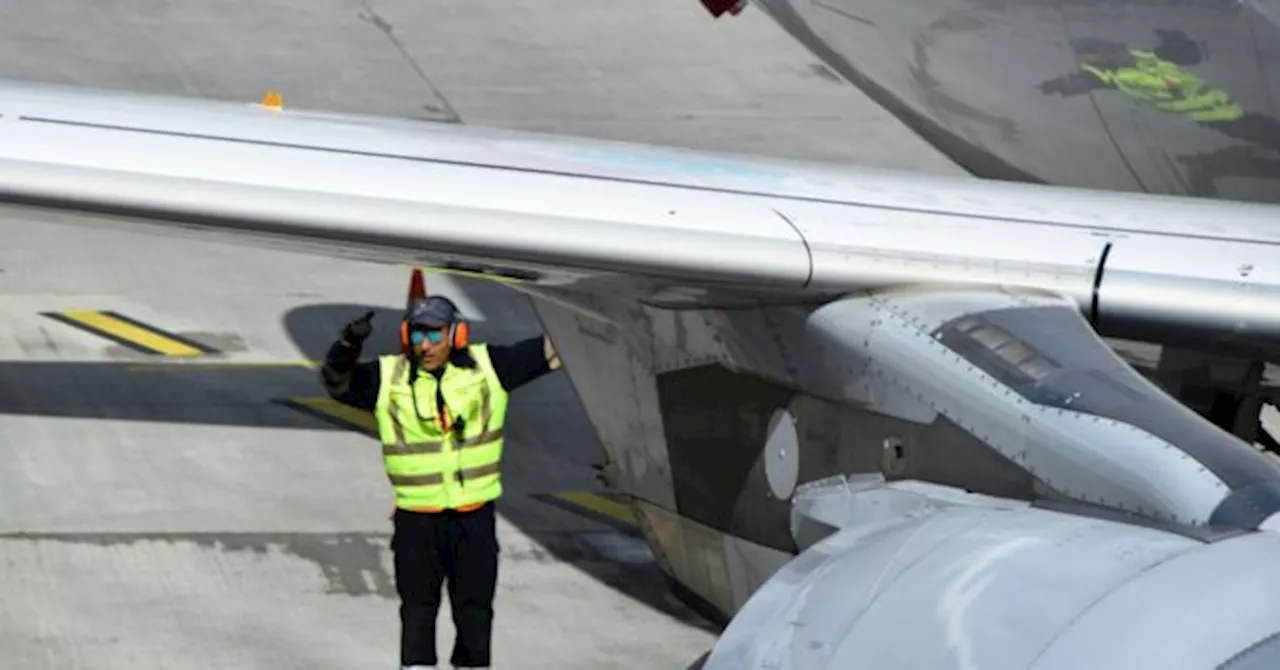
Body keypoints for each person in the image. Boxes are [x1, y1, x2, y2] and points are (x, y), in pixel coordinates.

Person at [321, 294, 562, 670]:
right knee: (418, 613)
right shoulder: (389, 377)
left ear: (456, 334)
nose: (426, 346)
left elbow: (556, 351)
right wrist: (348, 344)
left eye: (434, 336)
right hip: (418, 521)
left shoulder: (489, 368)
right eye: (418, 337)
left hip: (473, 519)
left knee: (475, 616)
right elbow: (337, 383)